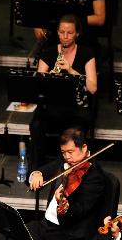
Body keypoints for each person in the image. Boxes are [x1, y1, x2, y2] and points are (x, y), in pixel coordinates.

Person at [0, 128, 105, 240]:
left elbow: (80, 210)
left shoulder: (96, 177)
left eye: (71, 152)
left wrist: (64, 203)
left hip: (69, 233)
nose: (67, 157)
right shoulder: (64, 162)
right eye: (63, 152)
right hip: (47, 225)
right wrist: (37, 174)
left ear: (84, 148)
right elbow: (45, 170)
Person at [30, 14, 97, 168]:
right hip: (53, 105)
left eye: (70, 33)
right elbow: (38, 85)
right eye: (61, 32)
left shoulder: (87, 53)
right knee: (36, 124)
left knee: (76, 127)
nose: (65, 37)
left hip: (77, 106)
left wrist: (71, 70)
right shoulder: (48, 52)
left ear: (77, 34)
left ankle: (73, 168)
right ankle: (35, 170)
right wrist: (49, 77)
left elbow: (92, 88)